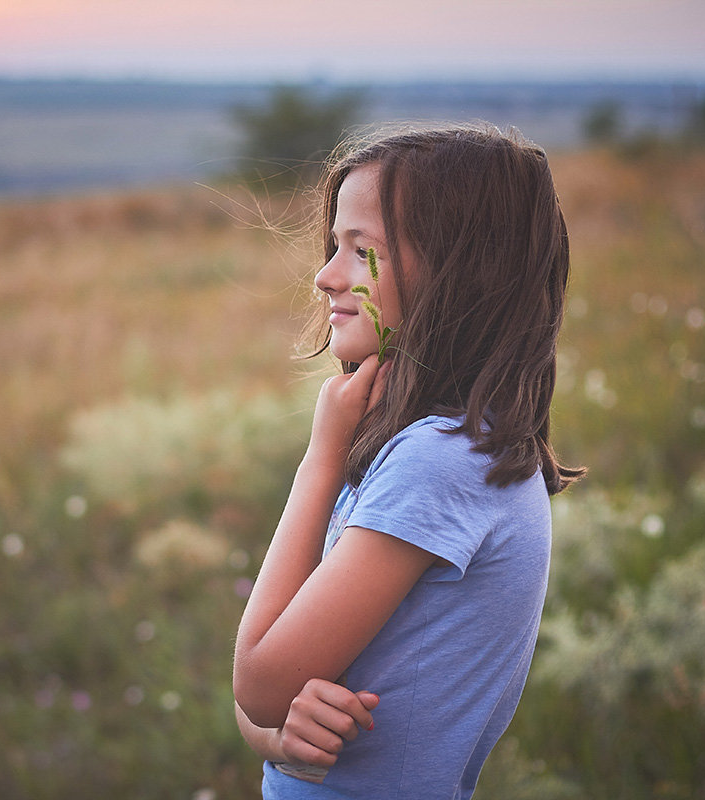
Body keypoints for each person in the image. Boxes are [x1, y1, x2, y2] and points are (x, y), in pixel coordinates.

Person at [232, 124, 584, 799]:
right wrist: (278, 735)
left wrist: (321, 459)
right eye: (334, 246)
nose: (325, 275)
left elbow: (258, 681)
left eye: (362, 251)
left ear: (458, 275)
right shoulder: (438, 446)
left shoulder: (442, 462)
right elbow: (264, 704)